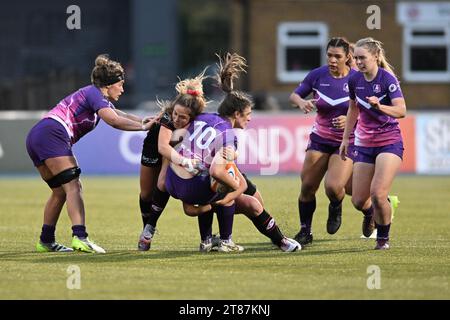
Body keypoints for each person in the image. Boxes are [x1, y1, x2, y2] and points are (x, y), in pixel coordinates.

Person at [26, 54, 156, 253]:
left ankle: (46, 241)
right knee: (74, 186)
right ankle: (80, 237)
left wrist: (145, 121)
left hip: (38, 135)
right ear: (109, 85)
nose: (122, 88)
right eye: (120, 84)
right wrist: (143, 128)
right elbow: (114, 120)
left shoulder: (96, 98)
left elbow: (121, 115)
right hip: (52, 132)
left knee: (60, 191)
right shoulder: (94, 93)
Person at [188, 53, 301, 253]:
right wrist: (237, 187)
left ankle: (207, 239)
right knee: (252, 205)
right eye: (248, 115)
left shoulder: (205, 117)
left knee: (256, 199)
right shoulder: (229, 134)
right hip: (208, 177)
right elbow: (218, 169)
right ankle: (281, 242)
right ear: (237, 114)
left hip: (193, 176)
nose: (250, 119)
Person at [289, 37, 358, 246]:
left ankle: (336, 206)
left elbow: (370, 110)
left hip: (347, 142)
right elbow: (295, 95)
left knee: (334, 186)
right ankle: (305, 231)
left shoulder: (357, 79)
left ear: (348, 57)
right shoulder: (317, 75)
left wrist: (350, 118)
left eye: (338, 56)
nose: (333, 60)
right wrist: (301, 102)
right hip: (320, 139)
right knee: (307, 186)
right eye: (329, 55)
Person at [339, 37, 406, 250]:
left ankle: (382, 240)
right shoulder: (354, 80)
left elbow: (401, 111)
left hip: (389, 142)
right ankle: (375, 211)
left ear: (375, 57)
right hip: (364, 144)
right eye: (355, 58)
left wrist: (380, 107)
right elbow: (353, 109)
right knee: (358, 200)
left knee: (377, 193)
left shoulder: (388, 80)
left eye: (362, 58)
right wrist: (345, 139)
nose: (358, 62)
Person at [137, 72, 208, 251]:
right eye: (176, 114)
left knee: (163, 182)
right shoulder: (168, 117)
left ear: (192, 118)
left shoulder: (199, 121)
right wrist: (185, 162)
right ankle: (147, 225)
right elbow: (163, 148)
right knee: (146, 194)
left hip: (178, 146)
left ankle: (149, 230)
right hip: (156, 145)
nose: (177, 119)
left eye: (182, 117)